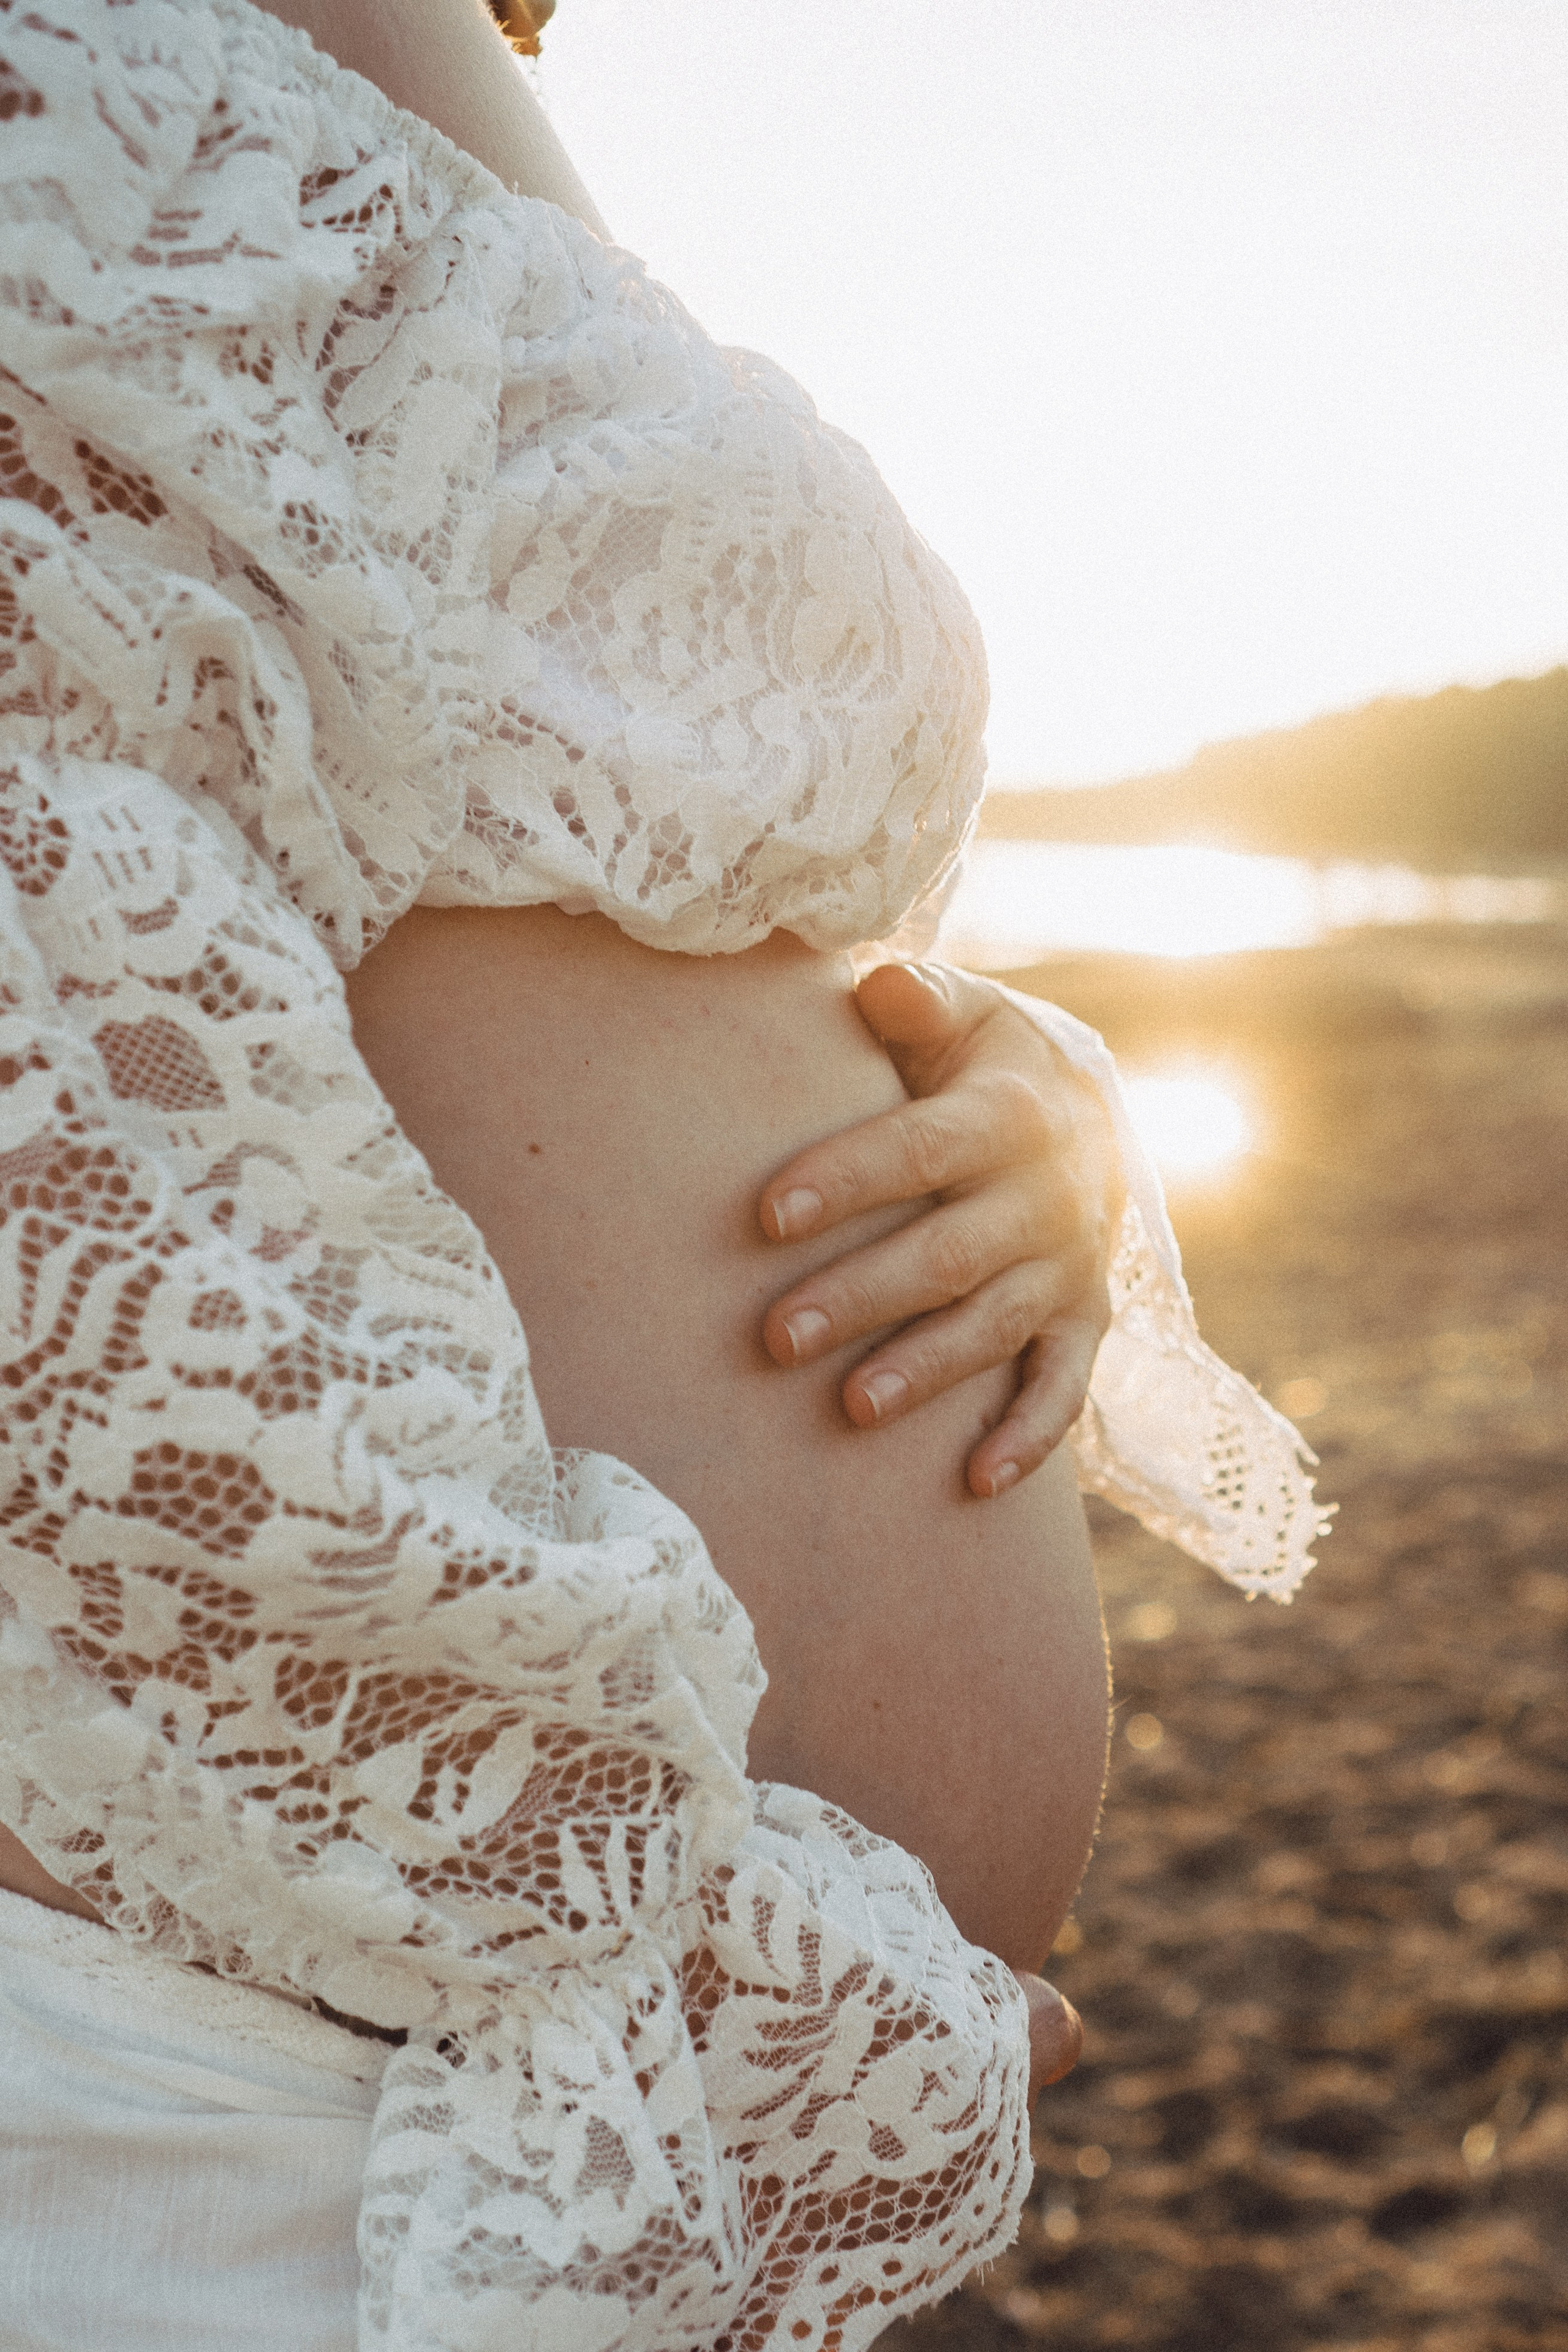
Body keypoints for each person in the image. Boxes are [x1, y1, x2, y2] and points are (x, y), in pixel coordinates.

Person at [0, 2, 1325, 2345]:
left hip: (513, 2091)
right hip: (273, 2116)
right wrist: (740, 1983)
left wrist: (1010, 1100)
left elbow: (551, 877)